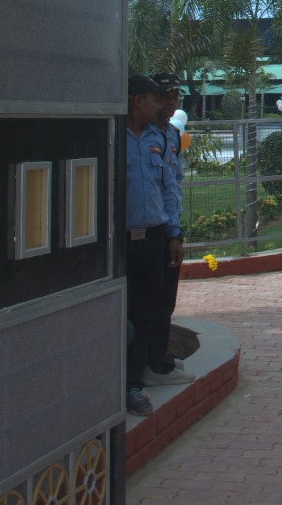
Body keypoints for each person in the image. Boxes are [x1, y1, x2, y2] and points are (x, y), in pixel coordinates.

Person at [124, 73, 178, 416]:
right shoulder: (114, 137)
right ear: (138, 101)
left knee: (146, 313)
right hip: (124, 242)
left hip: (155, 239)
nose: (161, 105)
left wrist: (174, 234)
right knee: (122, 315)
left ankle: (134, 383)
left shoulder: (158, 139)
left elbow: (168, 188)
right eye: (155, 98)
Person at [146, 74, 195, 387]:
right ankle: (150, 361)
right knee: (149, 302)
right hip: (149, 227)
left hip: (169, 227)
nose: (171, 103)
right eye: (166, 96)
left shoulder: (172, 135)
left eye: (175, 97)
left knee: (166, 300)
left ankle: (160, 357)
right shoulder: (142, 134)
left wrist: (175, 231)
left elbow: (173, 183)